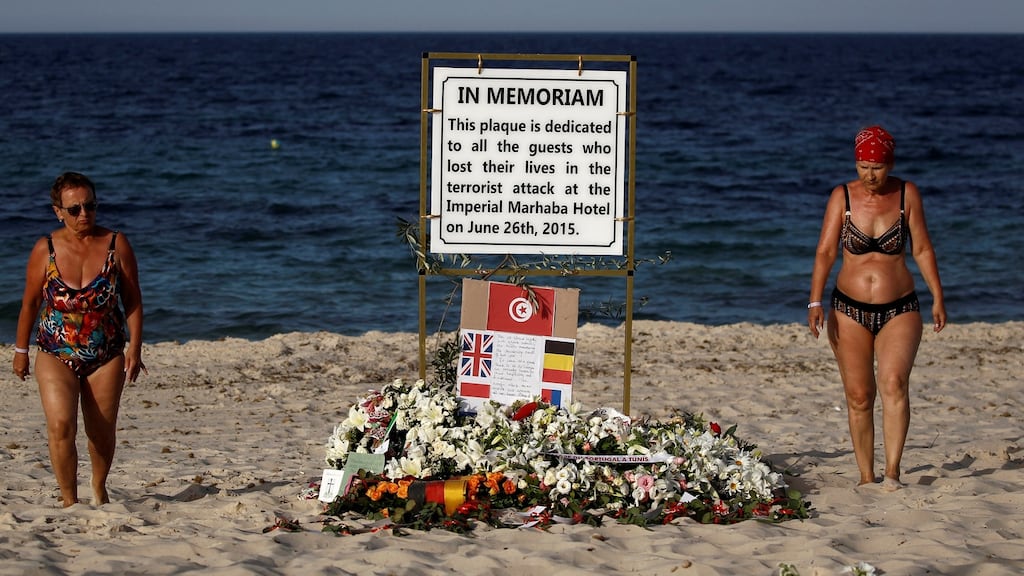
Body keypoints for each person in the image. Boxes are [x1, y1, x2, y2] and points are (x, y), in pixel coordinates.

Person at [807, 126, 946, 491]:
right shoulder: (842, 196)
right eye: (863, 166)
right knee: (858, 395)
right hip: (848, 309)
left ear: (890, 164)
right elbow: (825, 251)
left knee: (894, 383)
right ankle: (866, 476)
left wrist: (938, 297)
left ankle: (893, 473)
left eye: (877, 167)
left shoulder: (906, 194)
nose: (870, 175)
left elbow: (923, 250)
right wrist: (815, 299)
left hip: (900, 307)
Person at [11, 172, 146, 507]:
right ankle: (69, 500)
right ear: (58, 211)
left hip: (107, 352)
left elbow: (133, 300)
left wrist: (135, 348)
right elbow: (29, 303)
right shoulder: (46, 249)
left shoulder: (116, 244)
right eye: (74, 209)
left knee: (101, 433)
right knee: (61, 425)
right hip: (55, 352)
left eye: (90, 206)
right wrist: (21, 350)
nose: (84, 214)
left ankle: (99, 487)